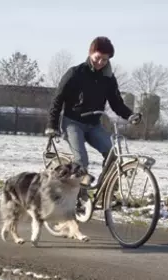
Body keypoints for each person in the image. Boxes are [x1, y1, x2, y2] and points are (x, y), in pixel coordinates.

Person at [45, 36, 142, 186]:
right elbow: (58, 99)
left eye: (105, 60)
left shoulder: (108, 78)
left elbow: (116, 103)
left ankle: (107, 191)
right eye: (98, 58)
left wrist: (130, 115)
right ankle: (79, 196)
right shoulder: (75, 73)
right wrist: (52, 125)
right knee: (82, 160)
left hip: (94, 125)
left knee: (112, 154)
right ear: (90, 54)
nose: (100, 63)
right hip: (73, 123)